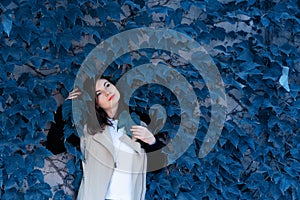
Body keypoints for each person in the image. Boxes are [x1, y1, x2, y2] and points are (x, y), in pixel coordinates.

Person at [67, 76, 163, 200]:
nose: (107, 92)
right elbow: (54, 146)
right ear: (95, 103)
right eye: (99, 93)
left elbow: (157, 167)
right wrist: (67, 105)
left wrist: (151, 141)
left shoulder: (138, 123)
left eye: (107, 85)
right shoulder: (89, 130)